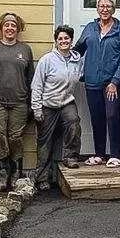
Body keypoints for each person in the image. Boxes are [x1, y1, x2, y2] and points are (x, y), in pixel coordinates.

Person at [74, 0, 120, 168]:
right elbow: (78, 50)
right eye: (101, 6)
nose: (104, 9)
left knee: (112, 116)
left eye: (108, 7)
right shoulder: (90, 28)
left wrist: (115, 81)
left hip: (112, 84)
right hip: (92, 82)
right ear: (97, 9)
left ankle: (115, 154)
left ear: (113, 9)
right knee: (97, 118)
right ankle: (99, 153)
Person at [0, 12, 34, 191]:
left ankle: (16, 172)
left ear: (18, 28)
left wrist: (30, 104)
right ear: (1, 27)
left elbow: (30, 78)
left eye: (13, 25)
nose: (10, 28)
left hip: (19, 102)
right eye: (7, 25)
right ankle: (2, 172)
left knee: (15, 137)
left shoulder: (25, 50)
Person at [30, 25, 83, 190]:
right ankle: (43, 177)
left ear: (71, 40)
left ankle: (70, 157)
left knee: (74, 123)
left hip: (66, 102)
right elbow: (37, 85)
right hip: (48, 104)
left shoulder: (77, 60)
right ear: (56, 41)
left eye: (66, 38)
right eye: (60, 39)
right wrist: (37, 109)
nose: (63, 41)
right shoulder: (47, 60)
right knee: (45, 141)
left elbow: (81, 76)